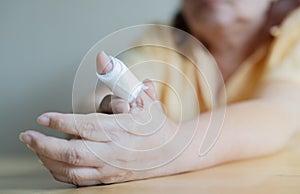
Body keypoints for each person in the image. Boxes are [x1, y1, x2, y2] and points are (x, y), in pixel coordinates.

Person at [19, 0, 300, 186]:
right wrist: (105, 117)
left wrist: (173, 143)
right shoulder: (164, 40)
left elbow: (278, 112)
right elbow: (100, 95)